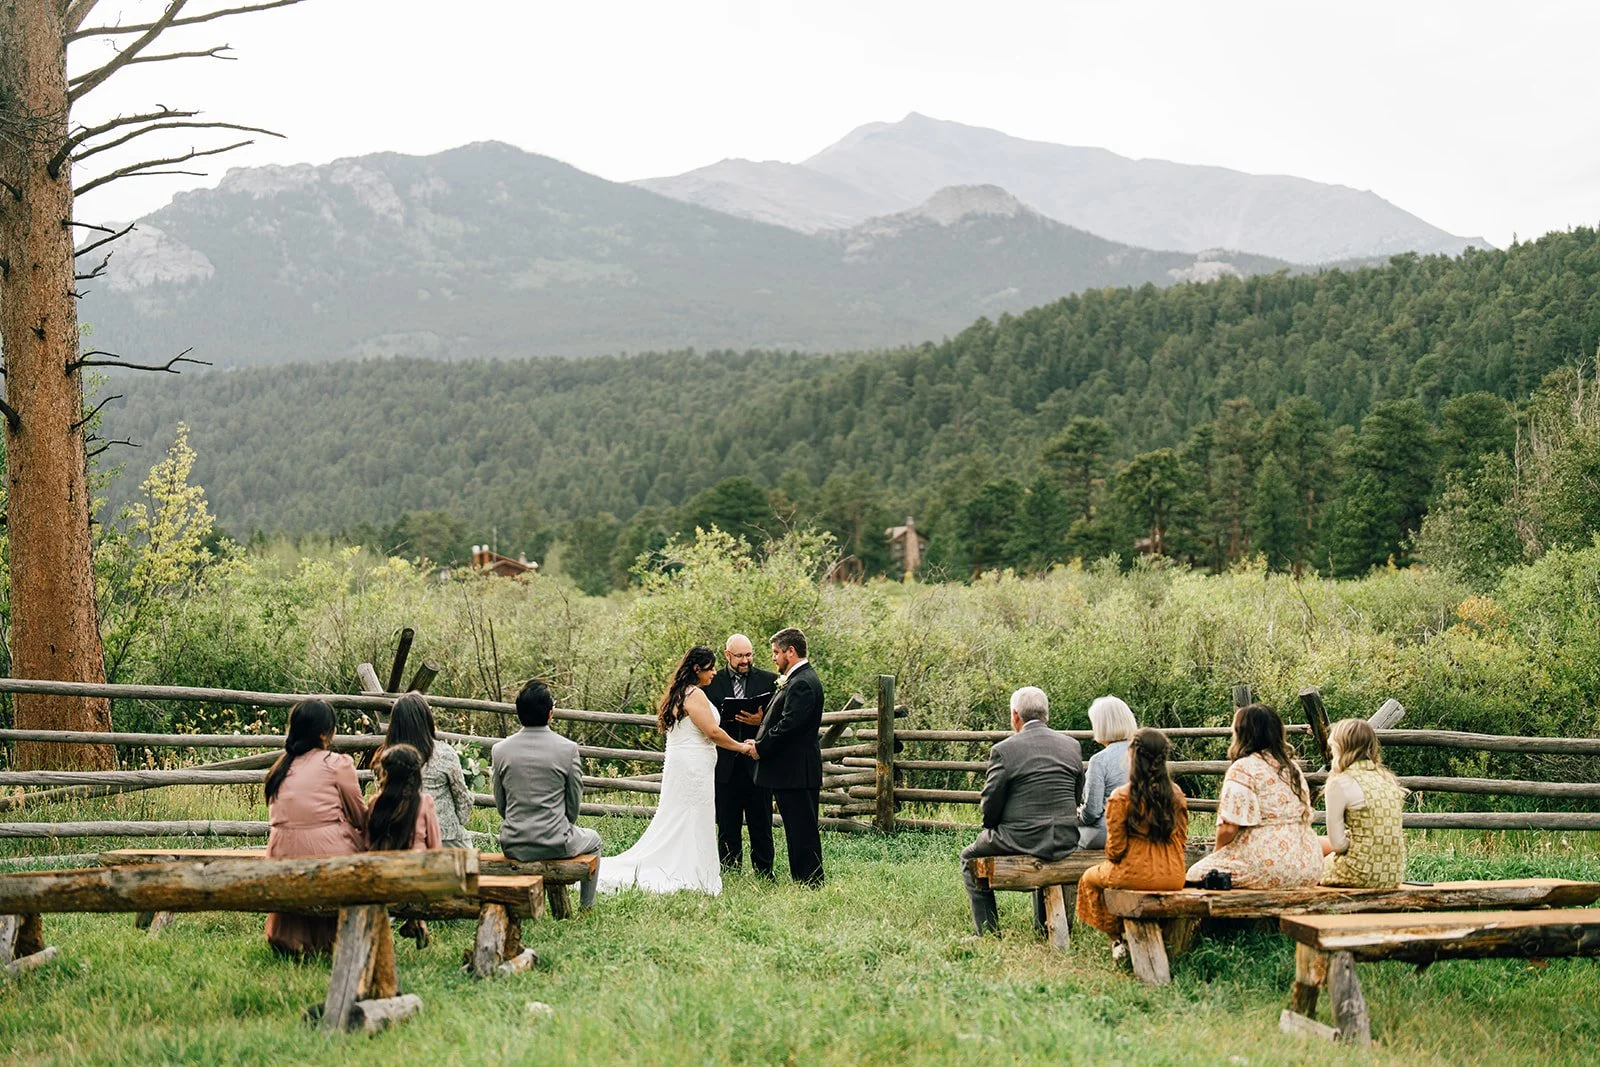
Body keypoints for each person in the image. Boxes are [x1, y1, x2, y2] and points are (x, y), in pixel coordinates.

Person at [598, 646, 757, 895]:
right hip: (693, 767)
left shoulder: (679, 692)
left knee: (684, 814)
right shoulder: (694, 694)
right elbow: (712, 732)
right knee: (692, 815)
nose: (715, 672)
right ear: (697, 669)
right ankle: (689, 869)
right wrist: (742, 747)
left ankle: (689, 863)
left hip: (685, 763)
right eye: (710, 668)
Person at [960, 686, 1085, 936]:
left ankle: (987, 931)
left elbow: (990, 802)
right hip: (1066, 837)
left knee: (969, 857)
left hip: (1021, 837)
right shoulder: (1072, 745)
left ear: (1015, 715)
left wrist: (993, 827)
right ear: (1046, 714)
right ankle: (1042, 927)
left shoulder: (1004, 750)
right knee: (1042, 851)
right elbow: (1076, 796)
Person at [263, 699, 368, 956]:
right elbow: (359, 817)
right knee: (363, 848)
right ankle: (344, 934)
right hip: (325, 852)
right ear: (324, 734)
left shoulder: (280, 768)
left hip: (281, 852)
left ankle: (295, 939)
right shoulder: (336, 763)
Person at [1076, 728, 1190, 958]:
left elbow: (1115, 850)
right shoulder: (1176, 795)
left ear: (1133, 756)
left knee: (1089, 879)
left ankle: (1117, 940)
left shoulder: (1122, 796)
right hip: (1173, 875)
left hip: (1133, 872)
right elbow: (1181, 839)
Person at [492, 679, 604, 910]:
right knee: (595, 840)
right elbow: (573, 807)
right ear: (550, 713)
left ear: (518, 713)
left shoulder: (500, 750)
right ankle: (586, 907)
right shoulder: (568, 749)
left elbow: (501, 806)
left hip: (513, 842)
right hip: (556, 841)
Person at [1185, 704, 1322, 888]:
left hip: (1269, 863)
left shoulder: (1243, 768)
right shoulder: (1292, 768)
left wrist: (1218, 853)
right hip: (1308, 864)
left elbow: (1228, 827)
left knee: (1196, 873)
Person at [753, 627, 826, 886]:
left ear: (790, 651)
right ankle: (806, 880)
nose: (773, 658)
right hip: (794, 770)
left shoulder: (802, 683)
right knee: (798, 829)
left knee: (801, 830)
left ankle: (810, 881)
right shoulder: (798, 679)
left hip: (796, 771)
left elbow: (788, 726)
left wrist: (760, 747)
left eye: (776, 652)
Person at [702, 633, 779, 876]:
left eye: (749, 655)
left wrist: (760, 721)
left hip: (757, 763)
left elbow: (780, 719)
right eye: (739, 656)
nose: (745, 660)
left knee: (762, 823)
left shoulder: (770, 680)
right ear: (727, 655)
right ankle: (729, 870)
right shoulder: (712, 682)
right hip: (724, 764)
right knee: (727, 823)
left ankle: (764, 872)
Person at [1319, 718, 1407, 887]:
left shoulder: (1340, 783)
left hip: (1360, 871)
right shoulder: (1387, 780)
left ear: (1341, 747)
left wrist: (1352, 841)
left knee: (1309, 868)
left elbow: (1338, 844)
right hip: (1392, 874)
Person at [379, 691, 474, 850]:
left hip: (401, 839)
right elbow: (463, 804)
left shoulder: (386, 758)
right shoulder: (445, 753)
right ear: (426, 720)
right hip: (446, 839)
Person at [1078, 695, 1137, 849]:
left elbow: (1092, 811)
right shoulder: (1145, 753)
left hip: (1109, 831)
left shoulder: (1099, 760)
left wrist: (1079, 817)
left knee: (1069, 838)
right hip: (1142, 829)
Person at [367, 742, 442, 852]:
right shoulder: (424, 802)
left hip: (383, 860)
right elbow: (435, 846)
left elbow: (367, 842)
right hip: (417, 861)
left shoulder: (375, 803)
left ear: (386, 774)